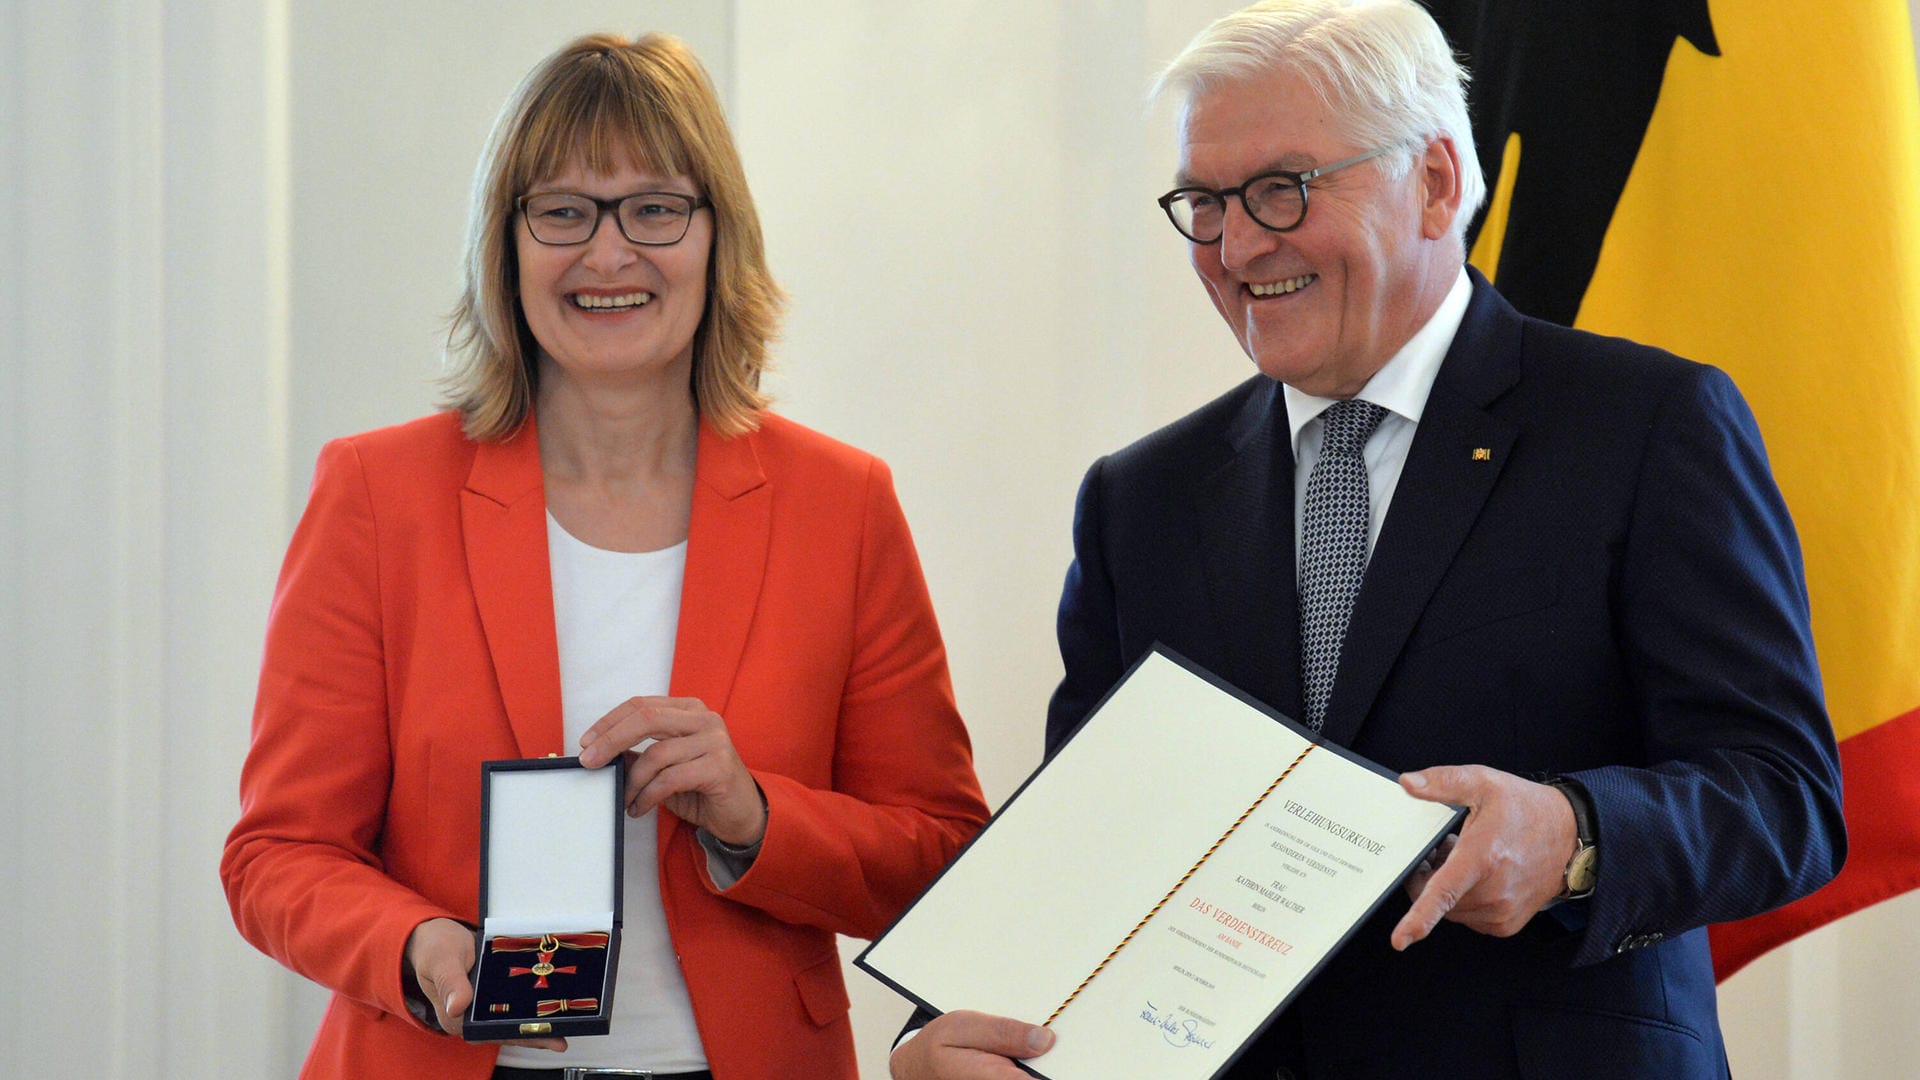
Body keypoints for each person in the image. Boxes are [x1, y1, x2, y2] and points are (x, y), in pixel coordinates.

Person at [891, 2, 1844, 1078]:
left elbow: (1784, 795)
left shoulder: (1645, 426)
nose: (1239, 245)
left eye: (1283, 189)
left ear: (1435, 182)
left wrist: (1574, 832)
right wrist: (940, 1036)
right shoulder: (1141, 500)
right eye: (1204, 202)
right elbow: (1083, 851)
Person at [220, 31, 989, 1080]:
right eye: (563, 211)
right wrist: (417, 949)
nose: (610, 253)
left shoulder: (842, 505)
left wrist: (753, 816)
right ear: (507, 242)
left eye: (656, 208)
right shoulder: (377, 494)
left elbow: (938, 855)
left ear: (719, 236)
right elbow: (276, 855)